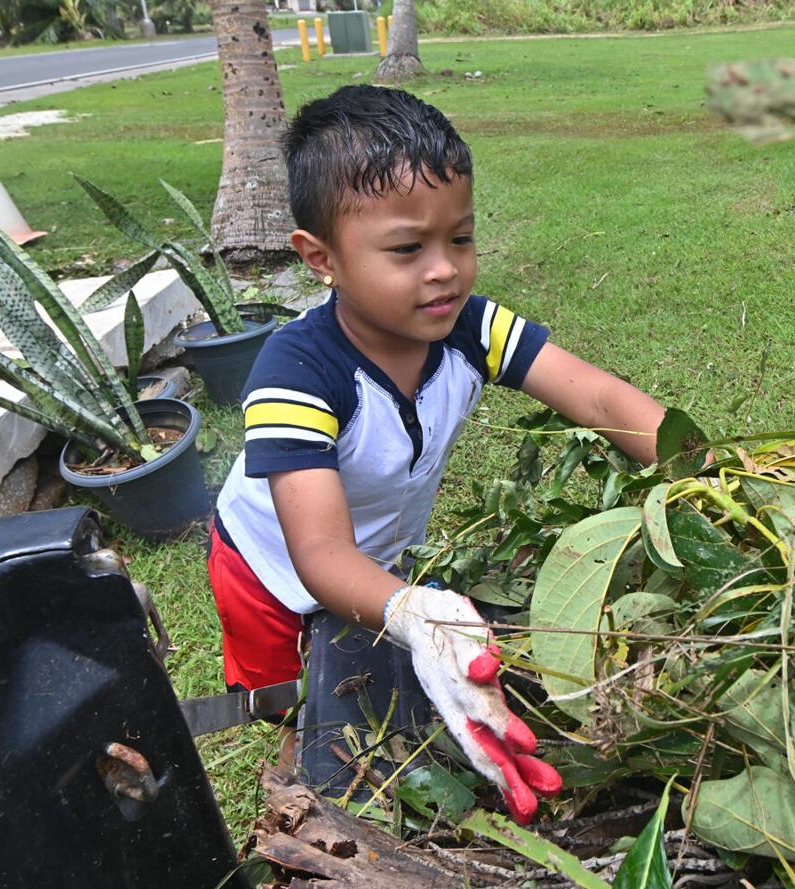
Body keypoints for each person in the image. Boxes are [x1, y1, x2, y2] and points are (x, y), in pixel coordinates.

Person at [208, 85, 666, 825]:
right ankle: (296, 758)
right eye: (405, 248)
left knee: (366, 638)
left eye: (460, 238)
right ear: (318, 257)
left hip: (378, 550)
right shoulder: (294, 372)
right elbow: (319, 551)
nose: (444, 270)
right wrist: (414, 610)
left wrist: (710, 469)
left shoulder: (470, 329)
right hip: (267, 565)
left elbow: (603, 401)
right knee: (295, 694)